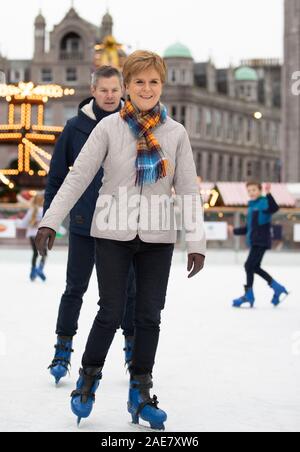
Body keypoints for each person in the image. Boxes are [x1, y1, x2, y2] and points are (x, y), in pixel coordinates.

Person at [36, 50, 206, 431]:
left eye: (154, 82)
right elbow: (77, 176)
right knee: (111, 311)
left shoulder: (175, 133)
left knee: (148, 316)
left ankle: (140, 393)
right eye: (139, 82)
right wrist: (50, 220)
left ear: (162, 86)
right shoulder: (109, 128)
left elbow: (189, 189)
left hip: (158, 236)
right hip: (112, 231)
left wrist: (196, 240)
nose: (147, 89)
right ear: (128, 87)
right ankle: (87, 381)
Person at [43, 66, 136, 385]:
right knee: (75, 289)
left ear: (123, 91)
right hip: (84, 224)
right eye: (104, 90)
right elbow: (56, 178)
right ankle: (62, 349)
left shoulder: (136, 124)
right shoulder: (74, 128)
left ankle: (132, 349)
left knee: (127, 293)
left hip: (123, 226)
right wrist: (49, 222)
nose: (110, 96)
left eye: (115, 90)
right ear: (93, 91)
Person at [231, 182, 288, 308]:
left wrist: (268, 194)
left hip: (261, 241)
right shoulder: (252, 206)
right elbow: (249, 227)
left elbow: (274, 208)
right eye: (249, 190)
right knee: (254, 267)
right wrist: (234, 231)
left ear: (259, 190)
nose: (251, 192)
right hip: (255, 241)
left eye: (254, 190)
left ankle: (249, 295)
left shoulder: (263, 203)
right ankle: (277, 288)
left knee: (248, 266)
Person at [17, 191, 47, 282]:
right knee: (43, 253)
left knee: (35, 253)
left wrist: (18, 222)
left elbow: (23, 224)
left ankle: (33, 271)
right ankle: (40, 269)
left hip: (31, 235)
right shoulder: (45, 210)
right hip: (41, 234)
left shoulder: (32, 210)